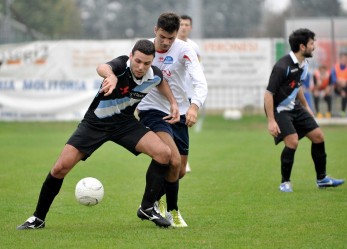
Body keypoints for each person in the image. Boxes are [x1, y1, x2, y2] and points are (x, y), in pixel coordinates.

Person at [16, 39, 180, 230]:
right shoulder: (120, 66)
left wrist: (173, 103)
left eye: (146, 63)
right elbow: (102, 67)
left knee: (164, 154)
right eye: (138, 61)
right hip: (95, 124)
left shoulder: (153, 75)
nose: (141, 67)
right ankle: (38, 219)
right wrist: (110, 76)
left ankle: (146, 207)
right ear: (131, 57)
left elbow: (162, 82)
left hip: (125, 124)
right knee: (60, 168)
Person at [137, 12, 208, 227]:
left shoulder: (185, 50)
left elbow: (200, 82)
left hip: (181, 112)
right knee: (173, 160)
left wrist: (194, 107)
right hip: (152, 110)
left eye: (171, 38)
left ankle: (152, 202)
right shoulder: (144, 48)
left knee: (179, 171)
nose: (166, 43)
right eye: (162, 37)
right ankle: (172, 212)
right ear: (155, 31)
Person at [264, 28, 344, 193]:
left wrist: (307, 107)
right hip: (280, 110)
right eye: (312, 43)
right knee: (293, 141)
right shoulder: (282, 66)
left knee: (318, 136)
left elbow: (297, 86)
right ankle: (285, 183)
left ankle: (322, 179)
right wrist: (271, 120)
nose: (314, 46)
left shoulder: (304, 64)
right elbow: (268, 94)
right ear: (302, 47)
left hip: (295, 107)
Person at [177, 14, 205, 173]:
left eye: (187, 24)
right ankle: (177, 158)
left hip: (188, 94)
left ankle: (183, 159)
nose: (184, 27)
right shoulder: (172, 44)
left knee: (184, 126)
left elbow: (198, 69)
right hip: (174, 93)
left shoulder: (194, 47)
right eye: (181, 24)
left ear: (191, 28)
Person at [330, 51, 347, 117]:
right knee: (343, 93)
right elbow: (333, 79)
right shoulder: (335, 68)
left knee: (344, 92)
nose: (344, 60)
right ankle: (342, 111)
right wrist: (339, 81)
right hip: (337, 88)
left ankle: (342, 111)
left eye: (345, 59)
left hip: (345, 86)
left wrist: (344, 81)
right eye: (343, 58)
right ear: (340, 59)